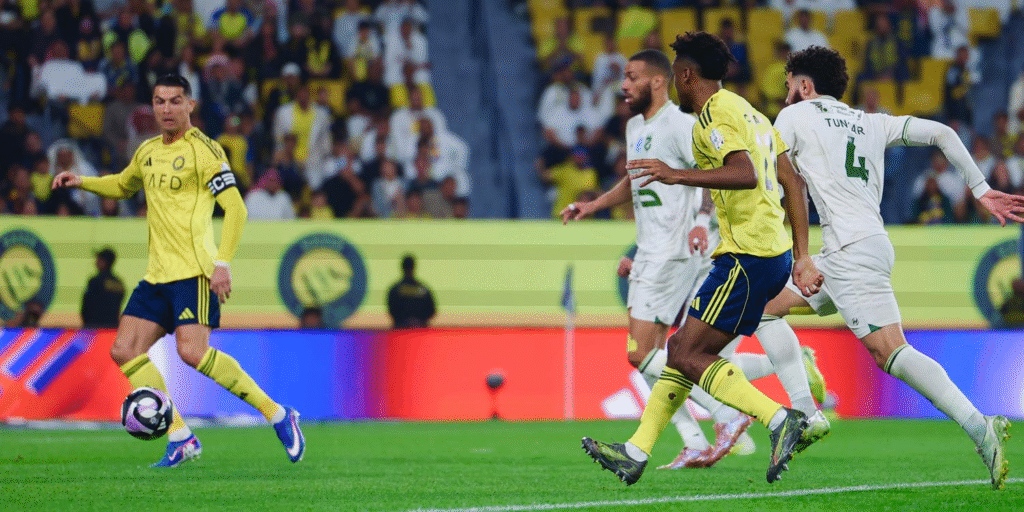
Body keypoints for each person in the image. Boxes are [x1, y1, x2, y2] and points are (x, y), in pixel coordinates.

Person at [762, 46, 1020, 490]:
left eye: (789, 86)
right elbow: (941, 132)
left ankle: (980, 427)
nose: (786, 95)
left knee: (890, 352)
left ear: (804, 86)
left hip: (847, 252)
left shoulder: (793, 118)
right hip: (864, 246)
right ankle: (804, 410)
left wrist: (800, 256)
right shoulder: (869, 121)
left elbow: (791, 184)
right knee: (764, 308)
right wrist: (979, 188)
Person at [581, 31, 823, 486]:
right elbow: (793, 180)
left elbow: (744, 174)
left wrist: (675, 175)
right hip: (766, 253)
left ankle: (777, 419)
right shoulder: (751, 112)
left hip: (746, 256)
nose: (674, 84)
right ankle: (636, 451)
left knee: (682, 350)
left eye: (675, 76)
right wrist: (800, 253)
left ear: (686, 74)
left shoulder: (717, 112)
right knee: (684, 351)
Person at [51, 74, 305, 468]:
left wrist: (222, 263)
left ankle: (277, 413)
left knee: (191, 351)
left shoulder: (205, 150)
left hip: (195, 273)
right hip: (157, 276)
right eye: (159, 101)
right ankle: (181, 436)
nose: (166, 109)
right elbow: (123, 185)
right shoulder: (148, 150)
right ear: (152, 106)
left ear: (190, 105)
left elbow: (235, 208)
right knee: (124, 349)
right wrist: (81, 181)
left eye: (174, 101)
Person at [563, 49, 757, 469]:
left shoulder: (681, 125)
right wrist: (593, 205)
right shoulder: (636, 126)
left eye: (631, 77)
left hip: (673, 251)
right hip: (651, 250)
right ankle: (695, 435)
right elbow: (633, 181)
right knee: (662, 355)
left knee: (642, 354)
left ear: (656, 81)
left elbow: (710, 171)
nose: (624, 85)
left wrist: (703, 220)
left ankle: (727, 414)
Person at [387, 254, 436, 328]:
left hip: (400, 331)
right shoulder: (423, 289)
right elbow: (431, 310)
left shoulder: (395, 289)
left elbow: (392, 309)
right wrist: (418, 321)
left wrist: (405, 321)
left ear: (402, 267)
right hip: (420, 331)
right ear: (414, 267)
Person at [81, 247, 125, 328]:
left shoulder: (95, 281)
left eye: (99, 259)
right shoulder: (119, 283)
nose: (96, 262)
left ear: (104, 262)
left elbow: (86, 307)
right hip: (112, 328)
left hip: (94, 328)